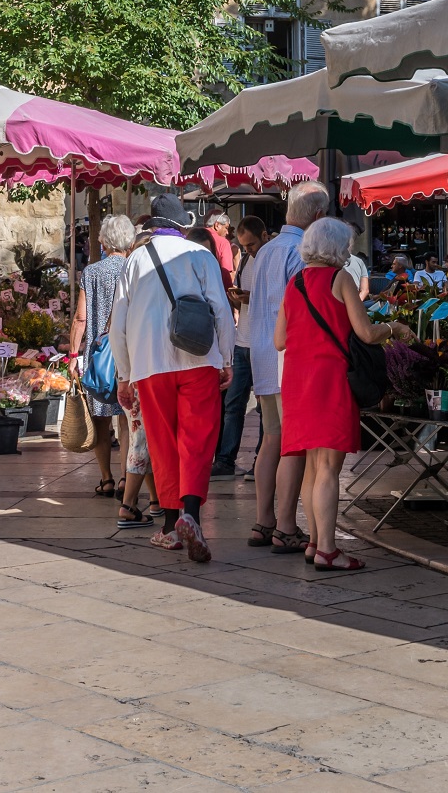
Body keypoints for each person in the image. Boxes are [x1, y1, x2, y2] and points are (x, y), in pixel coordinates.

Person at [281, 216, 411, 569]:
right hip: (329, 379)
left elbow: (279, 339)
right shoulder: (341, 279)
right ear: (339, 248)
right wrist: (395, 327)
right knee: (328, 468)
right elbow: (367, 333)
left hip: (296, 379)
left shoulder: (294, 283)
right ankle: (327, 549)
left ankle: (313, 542)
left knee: (312, 465)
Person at [108, 210, 234, 562]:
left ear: (149, 229)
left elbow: (118, 323)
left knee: (162, 443)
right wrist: (226, 358)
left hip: (149, 364)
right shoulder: (201, 254)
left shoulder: (134, 260)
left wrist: (123, 373)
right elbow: (221, 309)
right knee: (196, 440)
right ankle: (191, 513)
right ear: (182, 227)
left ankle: (169, 527)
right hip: (199, 358)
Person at [245, 181, 329, 553]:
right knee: (291, 446)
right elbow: (299, 312)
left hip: (261, 354)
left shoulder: (266, 251)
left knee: (271, 440)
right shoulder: (301, 251)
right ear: (318, 216)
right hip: (287, 357)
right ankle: (284, 526)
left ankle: (264, 522)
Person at [70, 212, 135, 509]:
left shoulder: (92, 272)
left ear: (104, 241)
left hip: (97, 357)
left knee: (100, 417)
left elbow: (81, 317)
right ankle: (125, 478)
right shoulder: (134, 269)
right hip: (127, 354)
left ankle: (106, 477)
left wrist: (73, 355)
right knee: (126, 419)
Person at [212, 215, 269, 477]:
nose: (248, 250)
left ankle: (261, 461)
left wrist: (250, 298)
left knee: (263, 406)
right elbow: (246, 305)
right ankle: (225, 459)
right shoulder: (245, 260)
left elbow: (277, 301)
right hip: (242, 341)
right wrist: (236, 299)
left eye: (252, 245)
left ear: (264, 236)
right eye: (244, 246)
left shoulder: (271, 260)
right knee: (233, 404)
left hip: (262, 343)